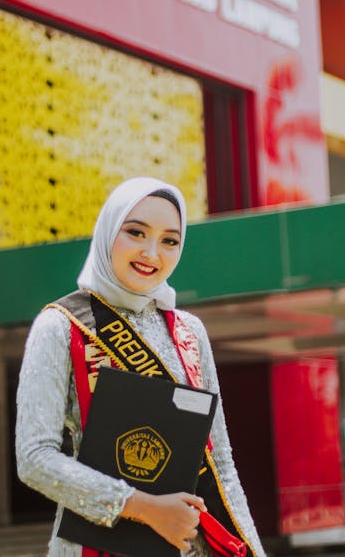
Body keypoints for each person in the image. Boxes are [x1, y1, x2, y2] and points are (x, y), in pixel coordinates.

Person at [16, 177, 265, 557]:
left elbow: (220, 463)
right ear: (108, 231)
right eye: (136, 232)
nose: (152, 253)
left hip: (187, 545)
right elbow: (34, 459)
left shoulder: (189, 332)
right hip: (95, 544)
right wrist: (144, 507)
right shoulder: (61, 325)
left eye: (169, 240)